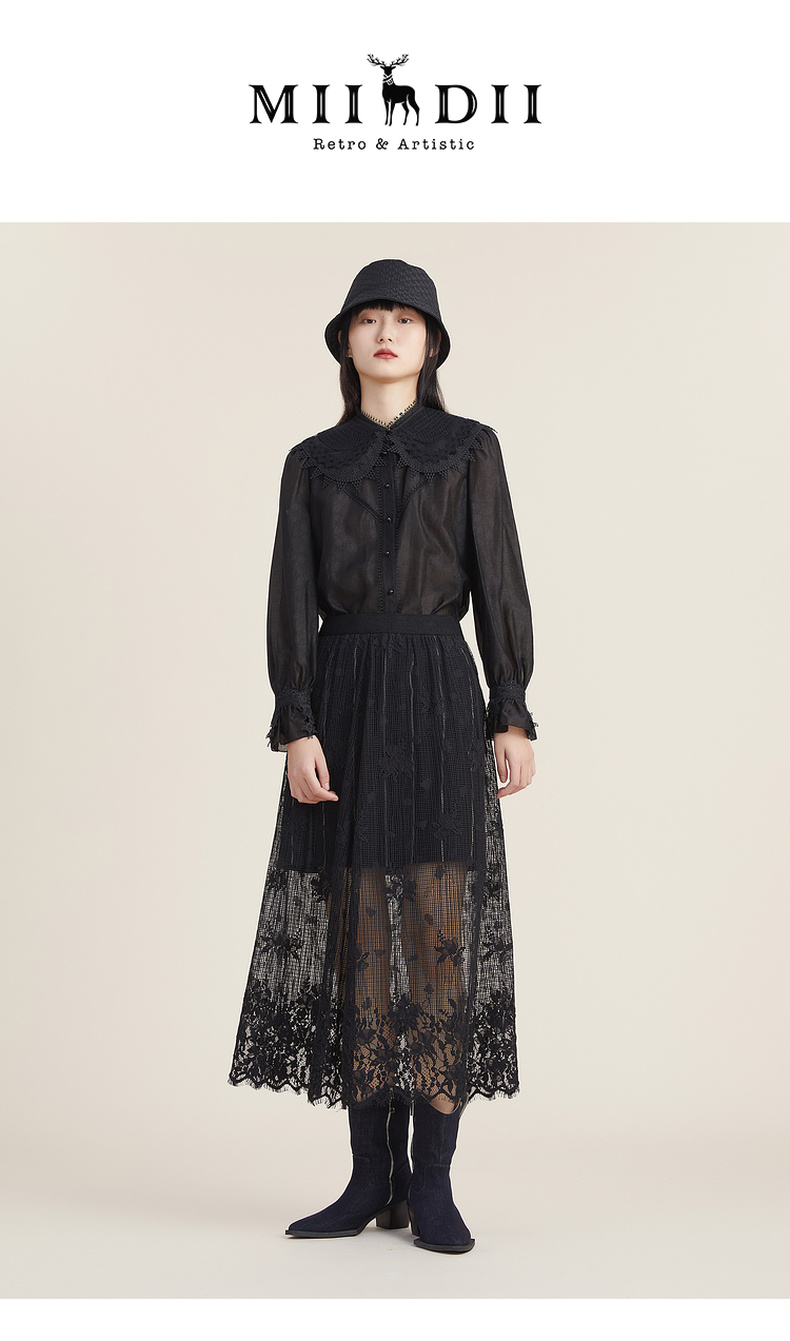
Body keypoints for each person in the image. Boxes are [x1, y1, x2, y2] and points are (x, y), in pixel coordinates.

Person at [228, 258, 538, 1254]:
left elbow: (500, 579)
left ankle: (432, 1183)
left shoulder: (471, 449)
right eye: (369, 317)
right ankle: (372, 1180)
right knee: (360, 938)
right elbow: (289, 592)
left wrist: (511, 708)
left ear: (432, 342)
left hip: (441, 694)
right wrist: (295, 723)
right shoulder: (312, 462)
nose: (387, 331)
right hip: (346, 698)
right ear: (346, 342)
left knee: (441, 933)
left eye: (405, 317)